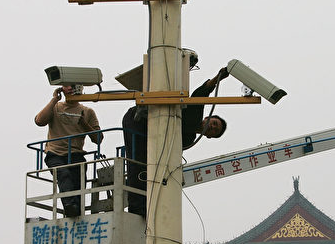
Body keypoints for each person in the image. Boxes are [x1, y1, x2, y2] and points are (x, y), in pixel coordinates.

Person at [122, 67, 229, 217]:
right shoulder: (195, 113)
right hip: (138, 120)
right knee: (137, 163)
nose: (212, 127)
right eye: (214, 123)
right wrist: (218, 77)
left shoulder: (189, 139)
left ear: (209, 137)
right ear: (208, 118)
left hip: (151, 134)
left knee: (149, 167)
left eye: (214, 130)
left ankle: (145, 207)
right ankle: (136, 208)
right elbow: (201, 93)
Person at [35, 85, 103, 217]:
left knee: (78, 186)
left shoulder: (87, 111)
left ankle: (76, 213)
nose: (71, 88)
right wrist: (54, 99)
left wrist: (83, 123)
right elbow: (39, 121)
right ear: (62, 88)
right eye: (67, 85)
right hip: (55, 153)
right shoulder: (55, 107)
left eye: (74, 85)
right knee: (63, 174)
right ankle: (70, 208)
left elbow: (98, 138)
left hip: (76, 154)